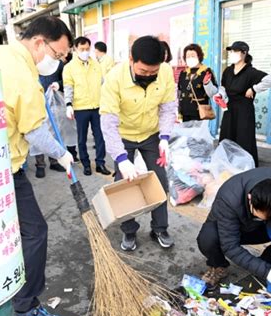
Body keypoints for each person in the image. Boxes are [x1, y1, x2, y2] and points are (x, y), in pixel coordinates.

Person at [0, 16, 74, 316]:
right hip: (5, 169)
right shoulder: (23, 74)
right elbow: (35, 130)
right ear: (40, 43)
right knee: (35, 232)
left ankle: (6, 294)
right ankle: (25, 308)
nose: (58, 62)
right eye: (59, 55)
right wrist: (63, 155)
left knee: (4, 235)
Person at [100, 35, 177, 251]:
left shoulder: (166, 72)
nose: (149, 76)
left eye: (154, 72)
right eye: (144, 72)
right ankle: (129, 231)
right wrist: (121, 158)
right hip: (123, 136)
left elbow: (169, 107)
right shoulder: (114, 79)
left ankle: (160, 228)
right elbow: (108, 123)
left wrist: (164, 138)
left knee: (160, 180)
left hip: (151, 135)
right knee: (124, 184)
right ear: (131, 60)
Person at [197, 168, 271, 288]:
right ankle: (219, 266)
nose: (263, 219)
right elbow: (230, 246)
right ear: (250, 198)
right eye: (259, 215)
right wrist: (267, 271)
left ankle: (266, 261)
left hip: (262, 229)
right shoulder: (228, 198)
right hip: (236, 229)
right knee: (207, 238)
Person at [218, 41, 271, 167]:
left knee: (244, 138)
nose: (232, 54)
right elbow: (223, 87)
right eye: (231, 51)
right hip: (229, 109)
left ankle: (245, 166)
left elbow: (270, 80)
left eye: (235, 51)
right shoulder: (228, 71)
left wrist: (254, 89)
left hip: (244, 110)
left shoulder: (250, 72)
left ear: (244, 53)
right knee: (227, 136)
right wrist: (220, 95)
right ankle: (226, 164)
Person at [63, 36, 111, 176]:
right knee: (82, 138)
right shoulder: (69, 68)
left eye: (87, 49)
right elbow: (68, 87)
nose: (85, 51)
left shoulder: (96, 65)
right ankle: (86, 164)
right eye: (82, 49)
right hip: (80, 107)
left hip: (97, 106)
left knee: (100, 136)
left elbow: (103, 84)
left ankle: (100, 163)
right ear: (76, 49)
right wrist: (68, 104)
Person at [35, 58, 79, 178]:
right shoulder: (33, 62)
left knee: (54, 132)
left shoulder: (58, 64)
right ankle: (40, 164)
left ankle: (54, 161)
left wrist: (58, 84)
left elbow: (65, 81)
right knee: (38, 131)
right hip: (37, 102)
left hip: (55, 103)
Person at [177, 43, 220, 122]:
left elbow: (213, 93)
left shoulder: (206, 71)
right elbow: (179, 92)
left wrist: (207, 84)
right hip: (184, 113)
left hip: (200, 113)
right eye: (188, 56)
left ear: (199, 56)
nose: (190, 58)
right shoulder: (183, 73)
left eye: (193, 56)